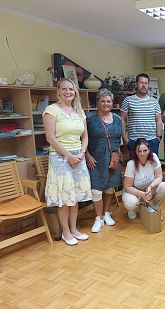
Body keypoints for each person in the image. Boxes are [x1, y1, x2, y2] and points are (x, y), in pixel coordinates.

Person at [43, 78, 92, 246]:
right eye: (64, 89)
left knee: (76, 196)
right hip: (60, 158)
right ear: (58, 91)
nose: (68, 91)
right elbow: (50, 138)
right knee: (65, 197)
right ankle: (66, 232)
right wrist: (68, 156)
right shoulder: (51, 110)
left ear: (75, 91)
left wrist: (81, 153)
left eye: (71, 89)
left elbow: (85, 136)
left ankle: (74, 228)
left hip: (78, 156)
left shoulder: (79, 111)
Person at [86, 89, 122, 233]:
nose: (106, 103)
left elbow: (120, 138)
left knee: (109, 187)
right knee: (96, 189)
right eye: (103, 101)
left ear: (112, 103)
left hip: (113, 158)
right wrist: (87, 155)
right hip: (96, 159)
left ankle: (106, 213)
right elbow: (84, 139)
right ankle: (98, 218)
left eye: (108, 101)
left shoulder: (118, 119)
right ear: (98, 102)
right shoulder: (90, 120)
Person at [122, 138, 165, 220]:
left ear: (149, 150)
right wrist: (142, 194)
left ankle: (153, 207)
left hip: (148, 189)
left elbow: (159, 177)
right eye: (139, 151)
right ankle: (133, 209)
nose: (142, 154)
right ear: (135, 151)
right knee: (131, 203)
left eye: (145, 150)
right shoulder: (131, 164)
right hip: (134, 192)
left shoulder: (154, 157)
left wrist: (150, 187)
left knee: (164, 186)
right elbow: (128, 187)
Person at [120, 73, 163, 155]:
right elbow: (121, 119)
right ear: (136, 84)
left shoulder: (154, 102)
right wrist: (125, 139)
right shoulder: (128, 100)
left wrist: (158, 138)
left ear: (148, 85)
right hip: (134, 141)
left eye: (146, 83)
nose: (144, 85)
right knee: (135, 167)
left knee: (152, 167)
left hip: (152, 141)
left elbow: (159, 120)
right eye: (141, 82)